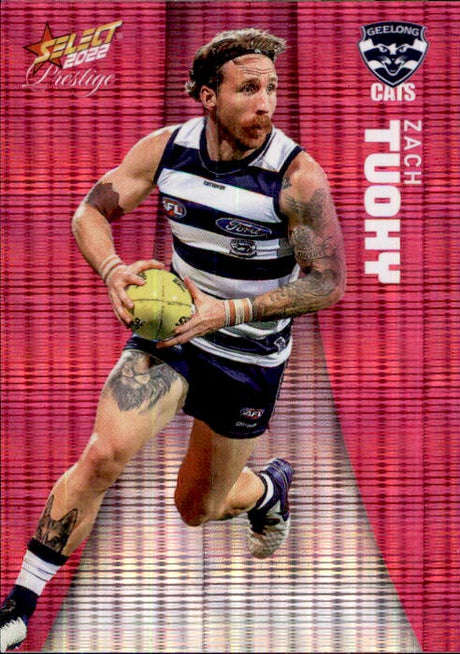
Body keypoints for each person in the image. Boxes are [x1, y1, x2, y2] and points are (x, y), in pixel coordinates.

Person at [0, 28, 346, 652]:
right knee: (103, 456)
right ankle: (16, 609)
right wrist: (113, 270)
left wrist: (229, 311)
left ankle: (268, 488)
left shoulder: (296, 177)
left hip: (248, 356)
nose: (265, 103)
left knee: (197, 508)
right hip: (174, 335)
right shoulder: (167, 150)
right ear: (208, 96)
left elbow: (328, 282)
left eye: (271, 88)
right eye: (249, 89)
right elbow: (90, 211)